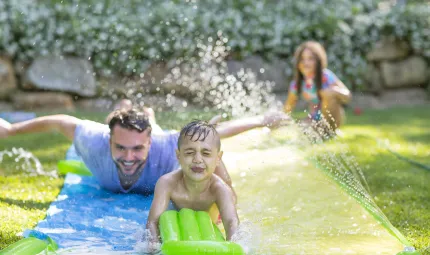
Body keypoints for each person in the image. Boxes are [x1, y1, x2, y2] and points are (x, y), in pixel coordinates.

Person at [0, 107, 288, 195]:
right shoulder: (94, 141)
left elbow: (216, 134)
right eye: (120, 147)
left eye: (137, 148)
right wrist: (12, 131)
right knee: (123, 116)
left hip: (160, 135)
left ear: (149, 144)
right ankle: (128, 106)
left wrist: (261, 120)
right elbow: (60, 121)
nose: (128, 157)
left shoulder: (165, 144)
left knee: (159, 128)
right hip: (121, 130)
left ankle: (147, 115)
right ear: (108, 140)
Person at [146, 120, 238, 247]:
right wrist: (153, 245)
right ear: (178, 156)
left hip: (214, 217)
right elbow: (152, 222)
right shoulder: (167, 183)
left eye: (205, 153)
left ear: (218, 158)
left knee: (229, 190)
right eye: (189, 153)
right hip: (179, 213)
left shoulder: (220, 189)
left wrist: (235, 246)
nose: (197, 159)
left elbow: (231, 222)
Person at [284, 41, 352, 133]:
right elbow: (288, 108)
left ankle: (328, 130)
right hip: (315, 118)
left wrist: (333, 91)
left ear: (318, 61)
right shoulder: (297, 84)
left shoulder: (326, 76)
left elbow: (347, 95)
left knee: (327, 94)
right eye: (302, 59)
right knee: (301, 126)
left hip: (333, 117)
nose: (306, 63)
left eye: (310, 59)